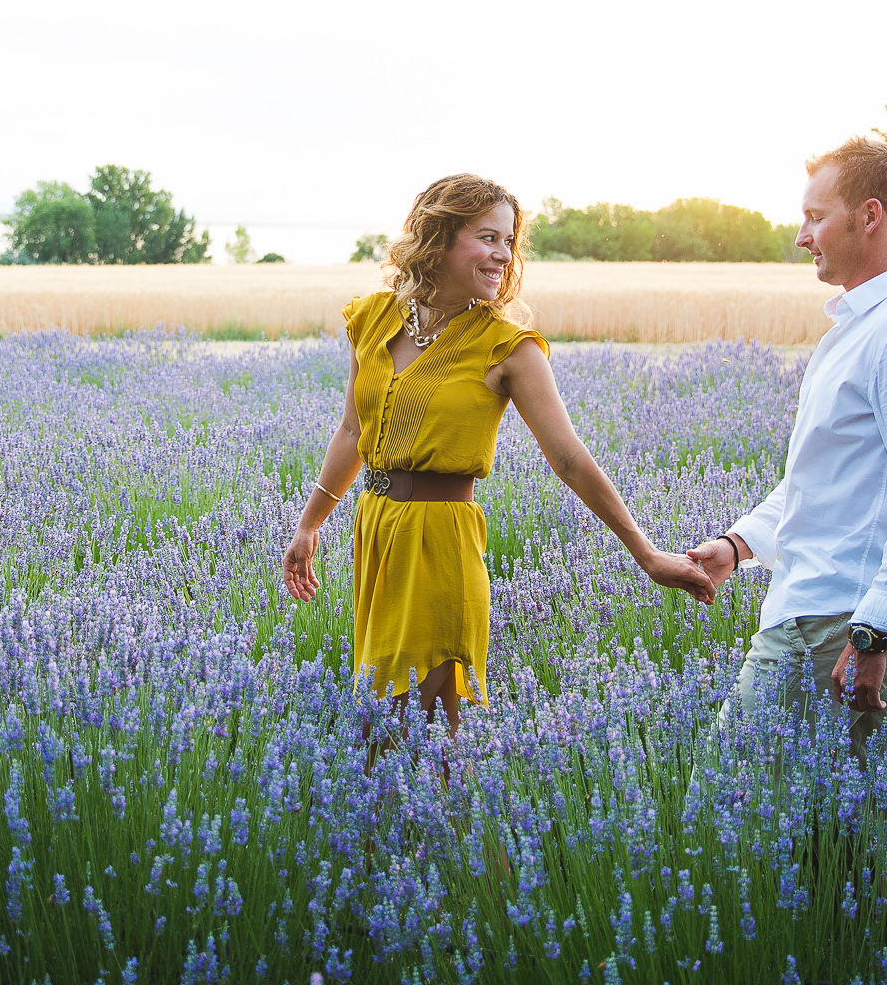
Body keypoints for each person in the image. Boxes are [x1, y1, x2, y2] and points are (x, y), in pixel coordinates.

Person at [281, 173, 714, 736]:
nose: (502, 255)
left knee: (427, 727)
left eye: (508, 242)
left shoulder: (508, 346)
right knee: (375, 723)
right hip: (378, 531)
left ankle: (442, 822)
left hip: (441, 542)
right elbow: (350, 432)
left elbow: (570, 460)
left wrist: (647, 553)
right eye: (487, 238)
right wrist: (310, 524)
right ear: (437, 238)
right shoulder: (373, 319)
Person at [686, 136, 887, 804]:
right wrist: (738, 545)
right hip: (804, 607)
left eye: (815, 216)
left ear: (868, 217)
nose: (800, 236)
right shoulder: (860, 330)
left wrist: (876, 632)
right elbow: (821, 484)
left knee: (880, 827)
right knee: (739, 801)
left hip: (849, 617)